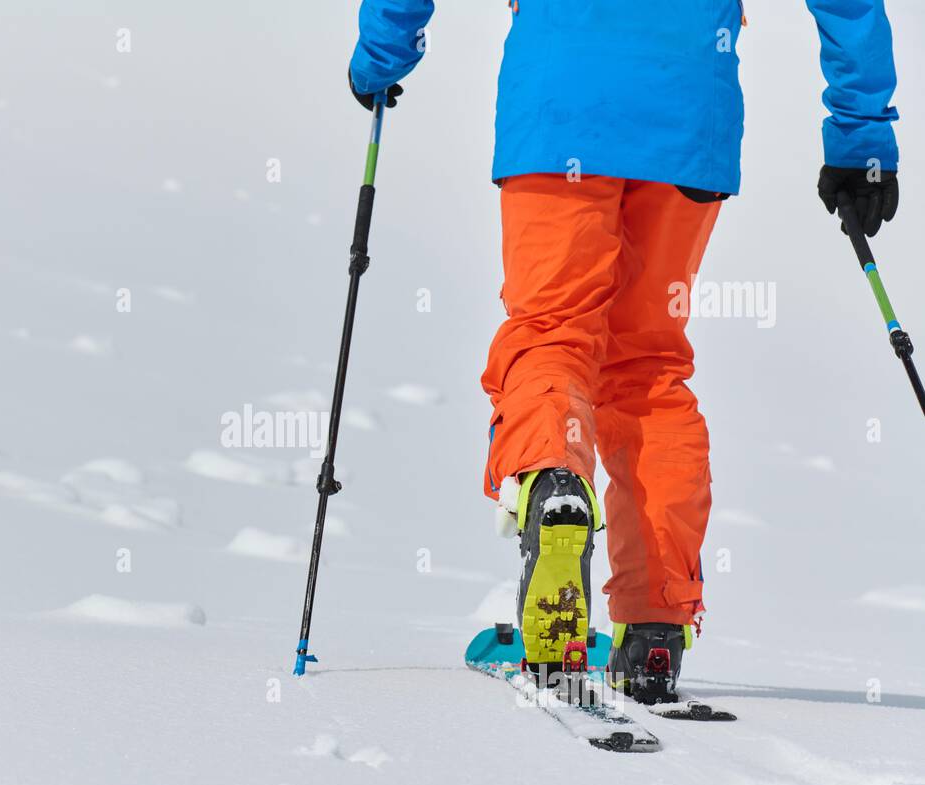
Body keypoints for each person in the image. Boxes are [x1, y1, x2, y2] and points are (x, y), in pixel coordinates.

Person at [348, 0, 901, 702]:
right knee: (647, 364)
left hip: (560, 105)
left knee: (552, 330)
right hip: (687, 114)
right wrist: (861, 136)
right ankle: (655, 625)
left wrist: (381, 52)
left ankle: (553, 483)